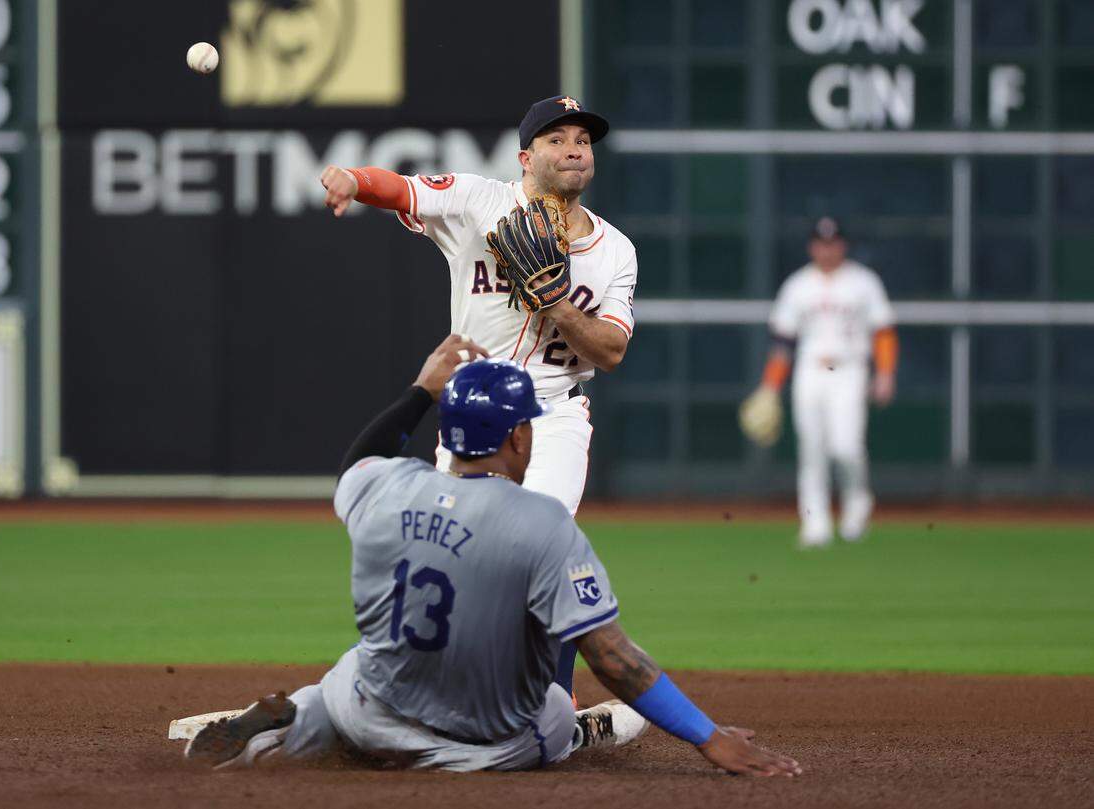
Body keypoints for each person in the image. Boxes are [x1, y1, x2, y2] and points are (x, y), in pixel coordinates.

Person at [186, 335, 802, 777]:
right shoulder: (542, 524)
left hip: (370, 706)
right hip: (475, 746)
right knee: (557, 710)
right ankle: (572, 735)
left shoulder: (385, 486)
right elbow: (612, 658)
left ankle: (294, 723)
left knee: (346, 683)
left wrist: (420, 390)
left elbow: (357, 462)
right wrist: (708, 736)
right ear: (518, 436)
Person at [318, 95, 637, 519]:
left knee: (533, 535)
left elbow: (612, 351)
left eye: (583, 141)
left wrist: (558, 304)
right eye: (556, 140)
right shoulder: (479, 200)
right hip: (473, 403)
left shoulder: (615, 250)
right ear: (526, 157)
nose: (574, 150)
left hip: (553, 414)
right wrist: (355, 180)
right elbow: (402, 190)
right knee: (460, 538)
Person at [742, 217, 898, 546]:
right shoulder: (798, 285)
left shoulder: (863, 282)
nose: (827, 249)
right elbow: (783, 344)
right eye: (820, 242)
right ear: (812, 246)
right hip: (810, 370)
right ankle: (815, 523)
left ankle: (857, 502)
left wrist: (885, 373)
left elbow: (883, 332)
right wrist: (769, 386)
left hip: (850, 369)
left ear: (843, 245)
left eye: (833, 242)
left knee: (846, 446)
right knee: (811, 449)